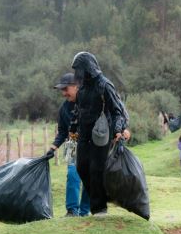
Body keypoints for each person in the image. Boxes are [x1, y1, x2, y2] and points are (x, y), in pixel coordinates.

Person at [69, 52, 130, 216]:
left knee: (96, 169)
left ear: (87, 68)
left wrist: (118, 130)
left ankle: (99, 209)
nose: (77, 74)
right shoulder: (82, 88)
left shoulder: (104, 85)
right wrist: (73, 129)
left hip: (101, 135)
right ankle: (99, 198)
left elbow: (118, 111)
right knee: (82, 167)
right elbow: (78, 110)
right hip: (84, 135)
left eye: (79, 69)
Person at [47, 73, 91, 217]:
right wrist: (53, 148)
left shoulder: (90, 102)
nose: (64, 93)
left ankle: (84, 212)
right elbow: (61, 132)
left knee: (89, 178)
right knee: (72, 174)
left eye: (66, 89)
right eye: (62, 90)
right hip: (71, 144)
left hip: (91, 144)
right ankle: (72, 210)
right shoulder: (63, 109)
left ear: (76, 86)